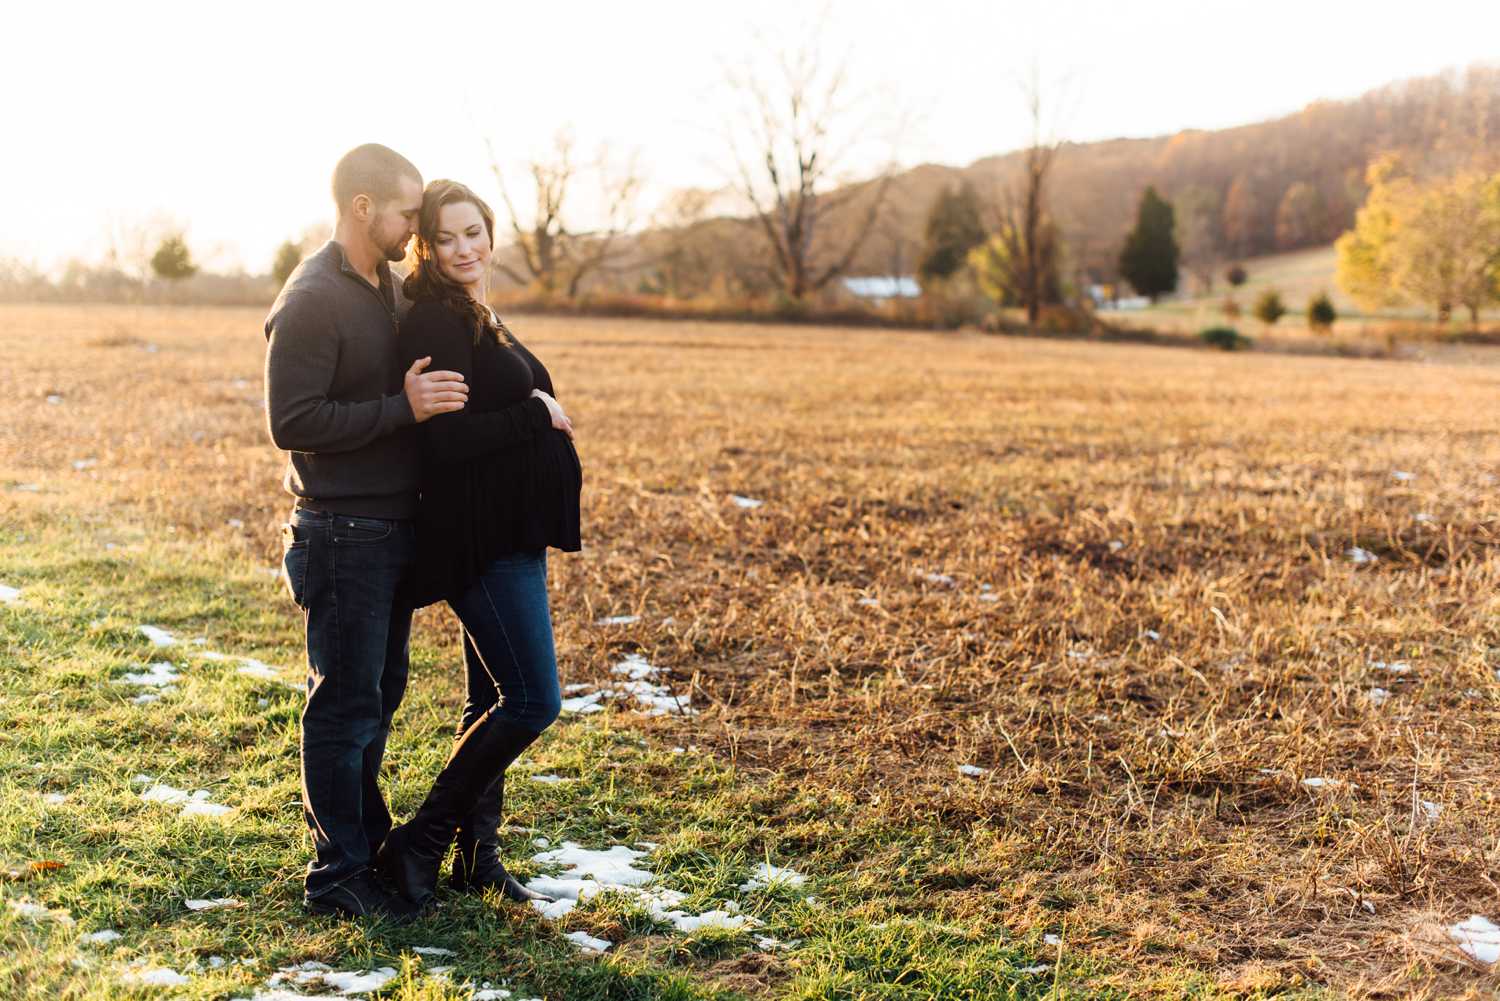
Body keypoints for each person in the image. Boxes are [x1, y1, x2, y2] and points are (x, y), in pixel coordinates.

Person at [264, 144, 471, 921]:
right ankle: (336, 875)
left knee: (379, 696)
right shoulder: (313, 296)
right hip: (341, 532)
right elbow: (292, 422)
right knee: (344, 707)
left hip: (387, 529)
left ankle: (365, 843)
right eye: (407, 213)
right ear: (362, 208)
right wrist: (403, 410)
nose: (415, 227)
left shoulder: (384, 284)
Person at [376, 178, 581, 909]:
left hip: (509, 530)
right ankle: (420, 841)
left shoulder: (475, 311)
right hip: (481, 538)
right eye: (448, 236)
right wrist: (534, 414)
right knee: (531, 701)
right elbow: (448, 441)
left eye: (475, 232)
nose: (465, 248)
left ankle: (478, 857)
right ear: (427, 245)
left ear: (490, 234)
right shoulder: (436, 319)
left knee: (488, 698)